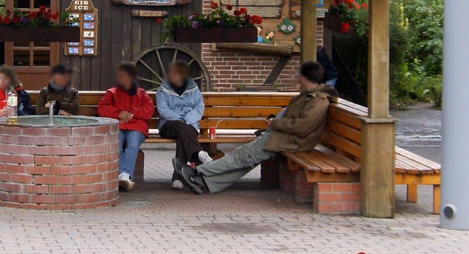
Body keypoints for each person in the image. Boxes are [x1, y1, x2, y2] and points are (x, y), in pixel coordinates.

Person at [173, 61, 338, 195]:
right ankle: (202, 182)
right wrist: (275, 119)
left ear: (306, 77)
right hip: (284, 135)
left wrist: (276, 123)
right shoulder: (308, 96)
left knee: (241, 156)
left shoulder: (318, 101)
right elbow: (293, 118)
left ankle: (196, 173)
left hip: (291, 140)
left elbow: (302, 126)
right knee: (246, 161)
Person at [98, 61, 155, 192]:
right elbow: (102, 108)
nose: (119, 78)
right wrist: (118, 114)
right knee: (116, 145)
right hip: (118, 125)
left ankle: (125, 175)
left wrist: (133, 114)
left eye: (122, 75)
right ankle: (125, 175)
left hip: (136, 126)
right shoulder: (112, 93)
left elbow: (149, 110)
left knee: (133, 144)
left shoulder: (142, 93)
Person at [156, 61, 213, 190]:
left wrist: (186, 120)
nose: (171, 75)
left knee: (184, 136)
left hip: (189, 124)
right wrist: (179, 119)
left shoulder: (193, 89)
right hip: (168, 125)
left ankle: (177, 178)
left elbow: (199, 108)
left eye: (174, 73)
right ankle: (199, 154)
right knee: (183, 129)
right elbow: (163, 110)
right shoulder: (163, 90)